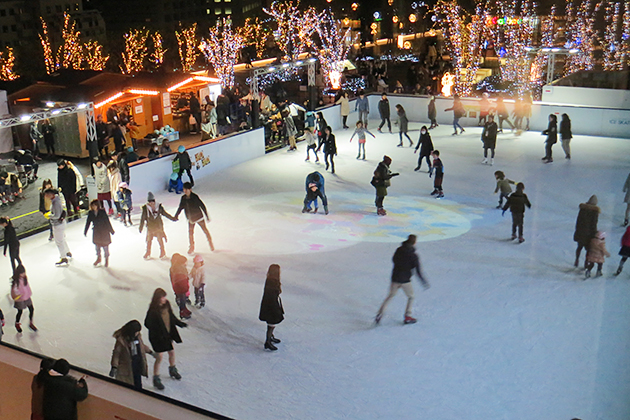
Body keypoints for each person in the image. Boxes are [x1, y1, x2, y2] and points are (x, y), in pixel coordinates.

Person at [375, 235, 429, 325]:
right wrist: (423, 281)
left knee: (390, 296)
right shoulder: (413, 255)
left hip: (395, 278)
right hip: (405, 280)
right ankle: (408, 315)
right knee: (411, 297)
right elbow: (417, 270)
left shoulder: (399, 250)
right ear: (414, 243)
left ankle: (380, 314)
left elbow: (394, 260)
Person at [144, 288, 187, 390]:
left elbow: (171, 316)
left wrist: (179, 323)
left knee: (171, 352)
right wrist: (157, 331)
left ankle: (173, 369)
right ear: (158, 298)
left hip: (167, 334)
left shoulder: (166, 304)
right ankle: (156, 378)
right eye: (162, 297)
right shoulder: (153, 311)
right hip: (158, 338)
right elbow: (147, 323)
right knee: (159, 357)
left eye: (164, 297)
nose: (164, 299)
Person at [109, 320, 153, 390]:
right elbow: (116, 354)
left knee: (138, 385)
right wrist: (114, 366)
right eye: (137, 331)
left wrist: (150, 352)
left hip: (137, 365)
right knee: (128, 386)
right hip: (127, 367)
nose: (138, 333)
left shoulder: (137, 336)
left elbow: (141, 346)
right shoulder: (121, 341)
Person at [174, 182, 214, 254]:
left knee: (205, 230)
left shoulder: (195, 197)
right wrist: (176, 215)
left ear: (190, 189)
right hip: (190, 219)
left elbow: (202, 206)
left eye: (186, 189)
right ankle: (191, 247)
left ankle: (210, 243)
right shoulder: (183, 198)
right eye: (184, 189)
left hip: (199, 217)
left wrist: (206, 216)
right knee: (190, 233)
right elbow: (180, 207)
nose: (185, 191)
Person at [140, 192, 177, 259]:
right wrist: (141, 227)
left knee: (160, 239)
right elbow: (143, 218)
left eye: (152, 201)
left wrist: (173, 218)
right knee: (149, 240)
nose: (151, 203)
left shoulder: (159, 207)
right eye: (150, 202)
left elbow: (165, 214)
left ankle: (162, 252)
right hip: (150, 227)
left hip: (158, 226)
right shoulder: (146, 208)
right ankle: (148, 252)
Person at [259, 264, 284, 351]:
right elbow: (272, 294)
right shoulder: (272, 281)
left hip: (270, 303)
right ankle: (268, 341)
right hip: (271, 304)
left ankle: (270, 337)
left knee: (272, 322)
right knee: (272, 323)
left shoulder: (271, 279)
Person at [84, 200, 115, 267]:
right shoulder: (91, 213)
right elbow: (88, 222)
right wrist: (85, 231)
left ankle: (106, 259)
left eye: (95, 205)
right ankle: (99, 258)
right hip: (96, 232)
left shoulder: (102, 212)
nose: (94, 207)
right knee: (97, 247)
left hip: (104, 231)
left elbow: (107, 221)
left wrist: (111, 230)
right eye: (92, 206)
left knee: (105, 247)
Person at [45, 188, 72, 266]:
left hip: (58, 224)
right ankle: (67, 252)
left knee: (59, 241)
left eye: (47, 194)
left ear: (51, 194)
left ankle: (63, 257)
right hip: (60, 223)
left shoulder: (56, 202)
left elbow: (57, 215)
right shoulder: (56, 200)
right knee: (62, 239)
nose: (46, 196)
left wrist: (49, 216)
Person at [573, 195, 600, 268]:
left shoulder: (583, 209)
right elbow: (594, 224)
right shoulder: (595, 212)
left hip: (581, 232)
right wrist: (594, 234)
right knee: (588, 249)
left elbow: (578, 221)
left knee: (579, 247)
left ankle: (577, 259)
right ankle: (586, 262)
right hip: (589, 234)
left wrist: (577, 230)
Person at [10, 264, 36, 333]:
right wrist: (19, 294)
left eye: (24, 272)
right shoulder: (16, 281)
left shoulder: (25, 278)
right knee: (20, 312)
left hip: (27, 297)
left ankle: (31, 323)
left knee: (31, 309)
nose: (23, 274)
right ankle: (17, 323)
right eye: (22, 273)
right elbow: (14, 290)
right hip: (20, 299)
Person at [170, 253, 191, 320]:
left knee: (183, 299)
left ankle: (184, 309)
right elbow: (181, 281)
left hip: (181, 288)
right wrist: (185, 288)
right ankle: (182, 311)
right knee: (182, 300)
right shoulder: (179, 271)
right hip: (180, 288)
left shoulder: (180, 268)